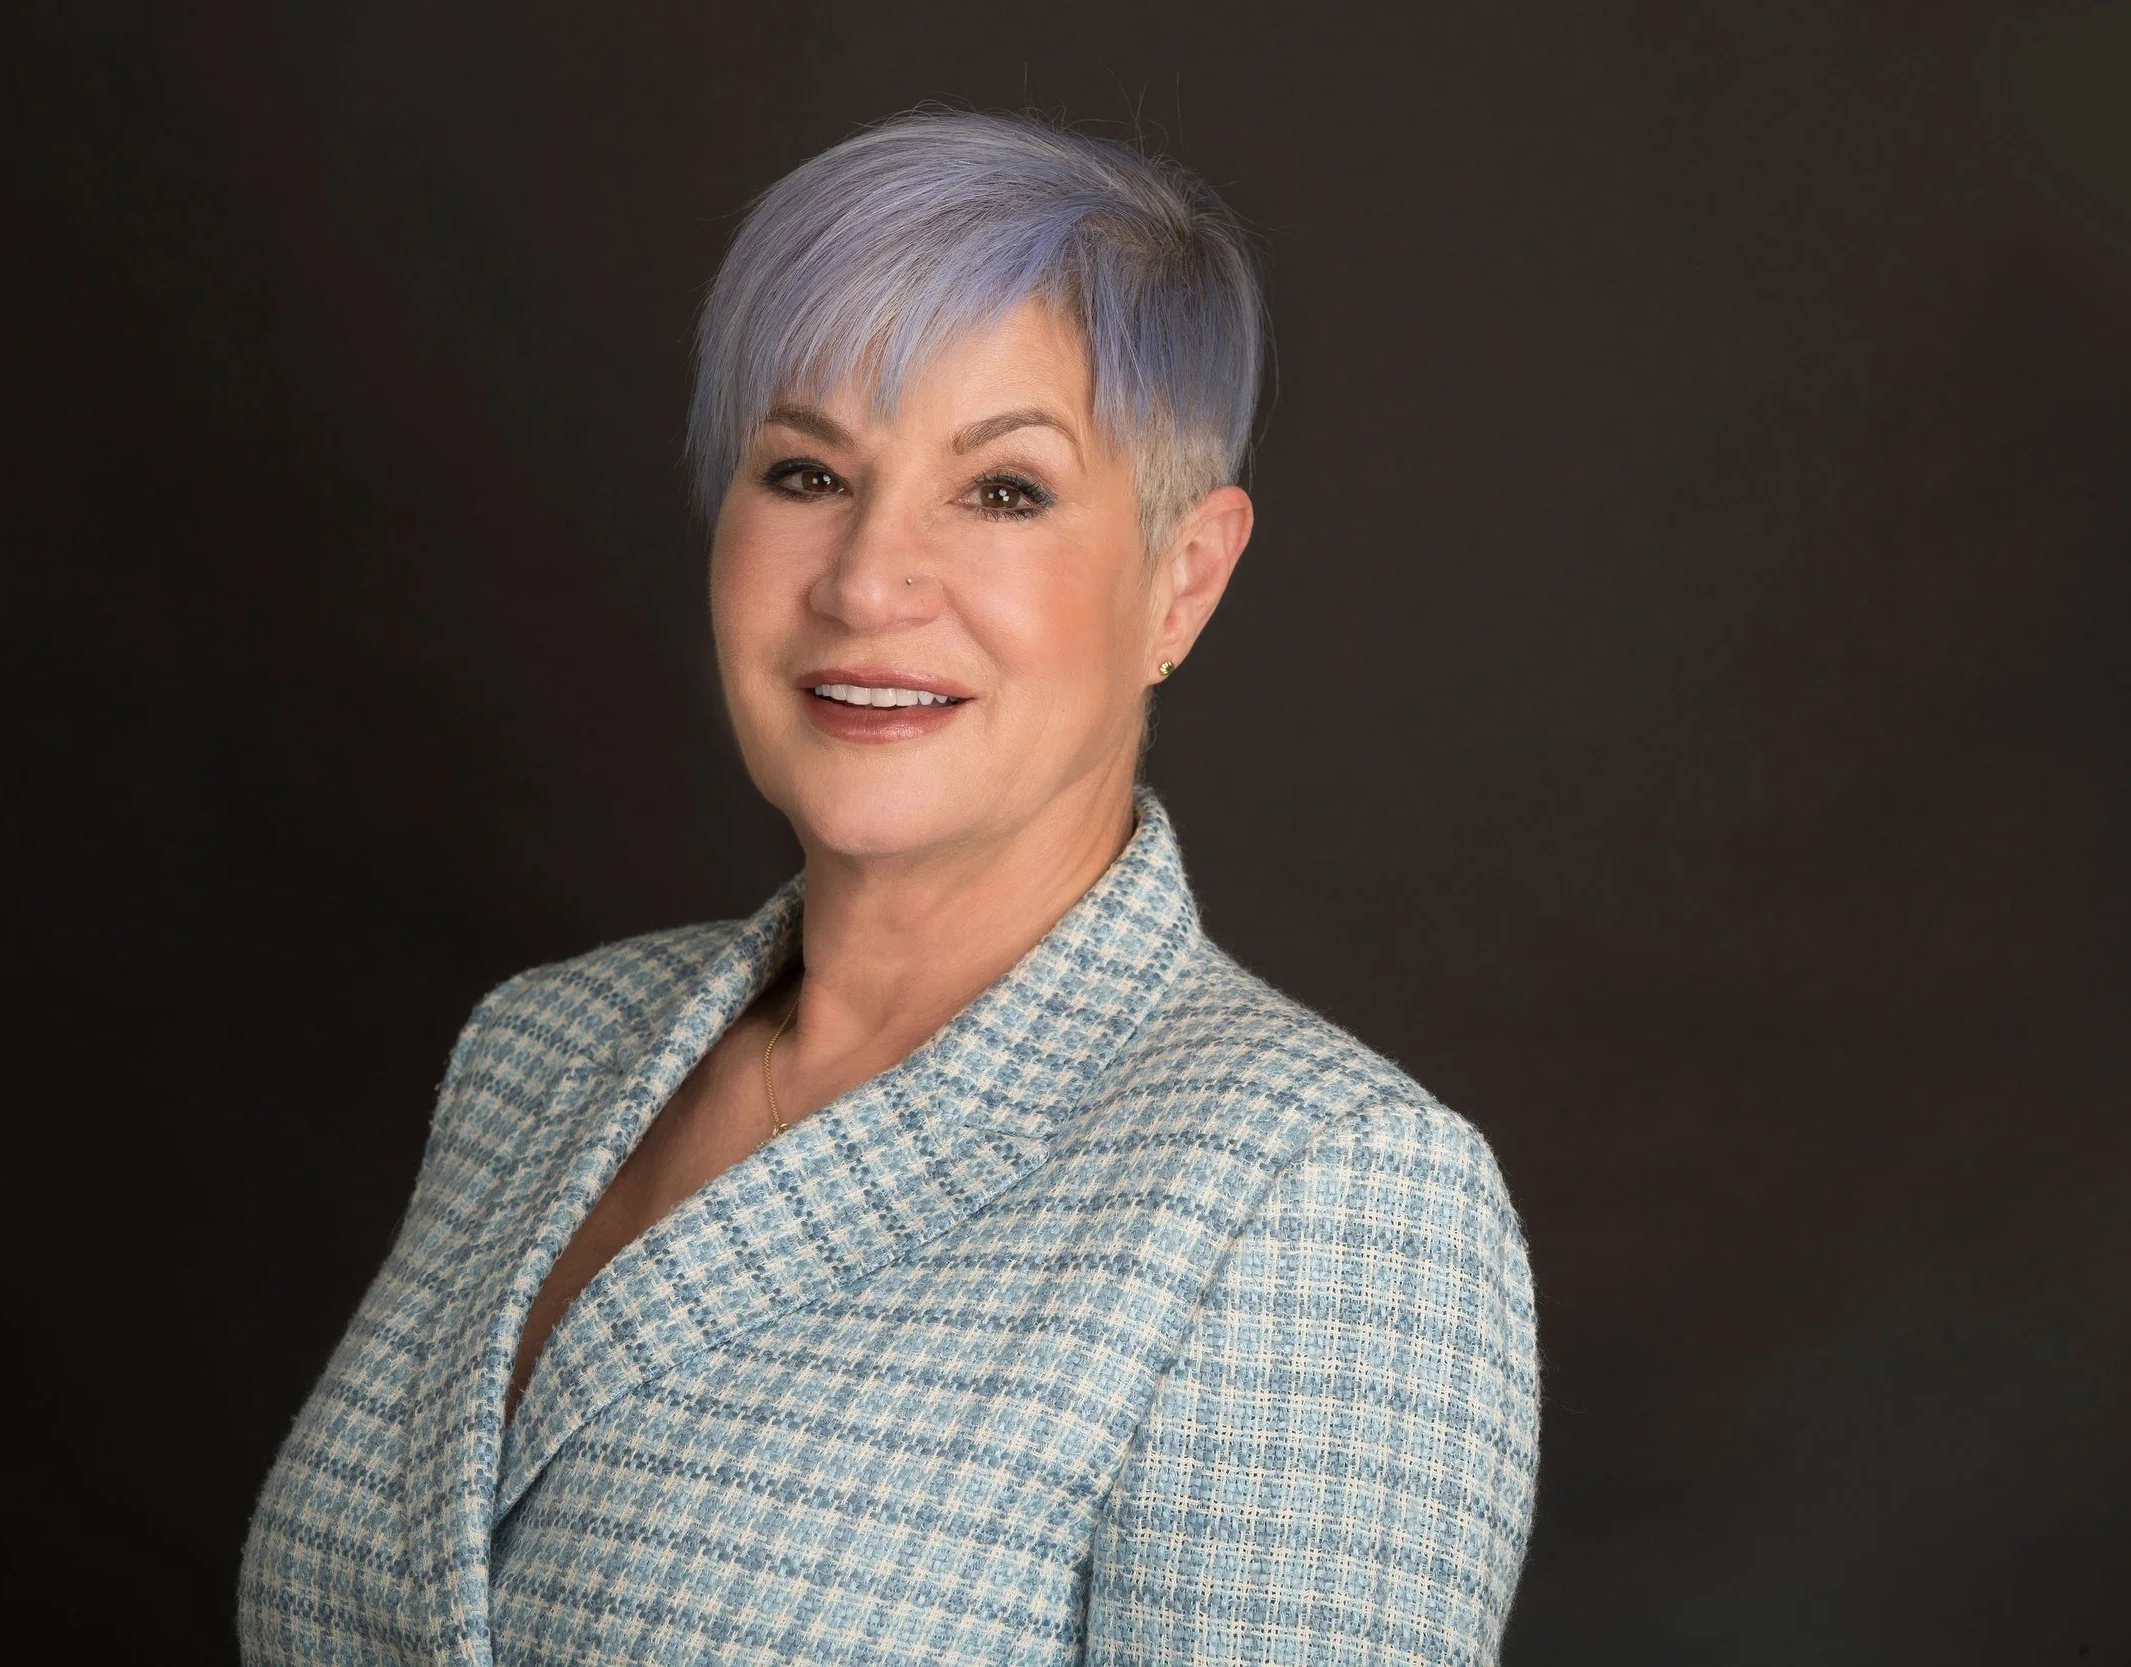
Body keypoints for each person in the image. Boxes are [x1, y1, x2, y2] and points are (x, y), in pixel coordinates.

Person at [239, 108, 1539, 1665]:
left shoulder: (1324, 1197)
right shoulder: (536, 1048)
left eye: (1002, 491)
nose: (864, 580)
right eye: (804, 470)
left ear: (1182, 578)